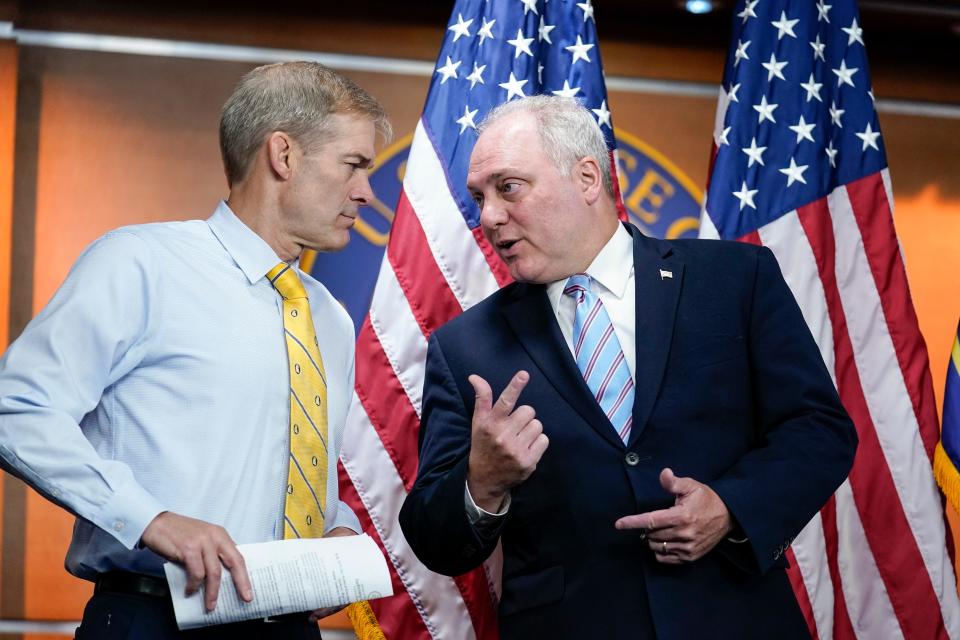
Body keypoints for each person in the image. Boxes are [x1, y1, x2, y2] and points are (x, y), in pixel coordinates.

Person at [399, 96, 857, 639]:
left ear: (588, 177)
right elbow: (432, 536)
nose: (489, 216)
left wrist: (731, 506)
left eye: (508, 187)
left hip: (733, 617)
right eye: (479, 197)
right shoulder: (465, 347)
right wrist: (483, 481)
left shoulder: (734, 280)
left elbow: (819, 429)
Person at [0, 61, 390, 638]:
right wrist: (149, 518)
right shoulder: (141, 264)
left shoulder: (327, 316)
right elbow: (18, 408)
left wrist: (339, 529)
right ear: (283, 155)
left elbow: (294, 470)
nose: (366, 191)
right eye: (354, 165)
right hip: (152, 618)